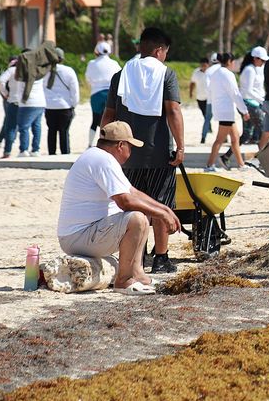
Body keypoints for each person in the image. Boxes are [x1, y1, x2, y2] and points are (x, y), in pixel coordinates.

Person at [57, 121, 181, 295]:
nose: (131, 152)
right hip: (78, 237)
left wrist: (164, 210)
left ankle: (138, 274)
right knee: (136, 218)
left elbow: (133, 192)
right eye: (130, 146)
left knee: (141, 215)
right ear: (121, 145)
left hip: (79, 235)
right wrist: (162, 214)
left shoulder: (98, 156)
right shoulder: (103, 160)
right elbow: (125, 202)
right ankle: (123, 281)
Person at [101, 27, 185, 274]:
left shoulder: (121, 75)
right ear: (159, 50)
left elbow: (109, 115)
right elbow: (173, 111)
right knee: (159, 204)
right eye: (165, 52)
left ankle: (137, 255)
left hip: (124, 154)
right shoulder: (166, 74)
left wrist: (103, 147)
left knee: (133, 206)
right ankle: (161, 258)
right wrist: (180, 146)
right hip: (158, 152)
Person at [205, 53, 250, 171]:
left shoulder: (215, 73)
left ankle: (241, 165)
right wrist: (244, 111)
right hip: (226, 111)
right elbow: (235, 93)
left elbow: (211, 91)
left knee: (235, 138)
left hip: (221, 110)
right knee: (219, 140)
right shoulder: (228, 74)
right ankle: (209, 165)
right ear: (230, 61)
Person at [43, 48, 80, 155]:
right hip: (65, 106)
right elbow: (75, 91)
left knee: (51, 131)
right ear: (62, 58)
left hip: (49, 106)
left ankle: (51, 154)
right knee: (64, 132)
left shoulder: (45, 71)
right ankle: (65, 154)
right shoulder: (69, 71)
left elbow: (42, 87)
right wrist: (74, 104)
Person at [85, 41, 122, 147]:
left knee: (95, 119)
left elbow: (88, 79)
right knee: (112, 119)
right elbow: (120, 77)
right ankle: (110, 143)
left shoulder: (92, 63)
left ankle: (90, 144)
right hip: (111, 94)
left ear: (97, 51)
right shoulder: (114, 63)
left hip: (96, 94)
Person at [237, 46, 269, 146]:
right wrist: (262, 101)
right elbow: (248, 90)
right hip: (250, 103)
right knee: (264, 130)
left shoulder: (255, 69)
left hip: (254, 102)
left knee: (247, 134)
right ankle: (263, 158)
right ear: (255, 58)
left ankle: (226, 156)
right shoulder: (249, 70)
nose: (263, 63)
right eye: (262, 60)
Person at [0, 56, 18, 151]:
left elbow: (1, 84)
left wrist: (4, 94)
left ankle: (1, 140)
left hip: (7, 98)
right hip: (10, 98)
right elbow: (1, 83)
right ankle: (5, 140)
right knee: (11, 121)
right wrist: (6, 95)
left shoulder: (7, 70)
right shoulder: (13, 70)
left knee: (8, 120)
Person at [189, 57, 212, 144]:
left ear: (208, 65)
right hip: (200, 98)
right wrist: (191, 93)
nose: (203, 67)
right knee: (205, 114)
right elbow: (192, 83)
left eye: (205, 65)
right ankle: (208, 127)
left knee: (207, 116)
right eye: (202, 65)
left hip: (209, 98)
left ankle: (205, 132)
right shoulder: (196, 73)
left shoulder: (211, 73)